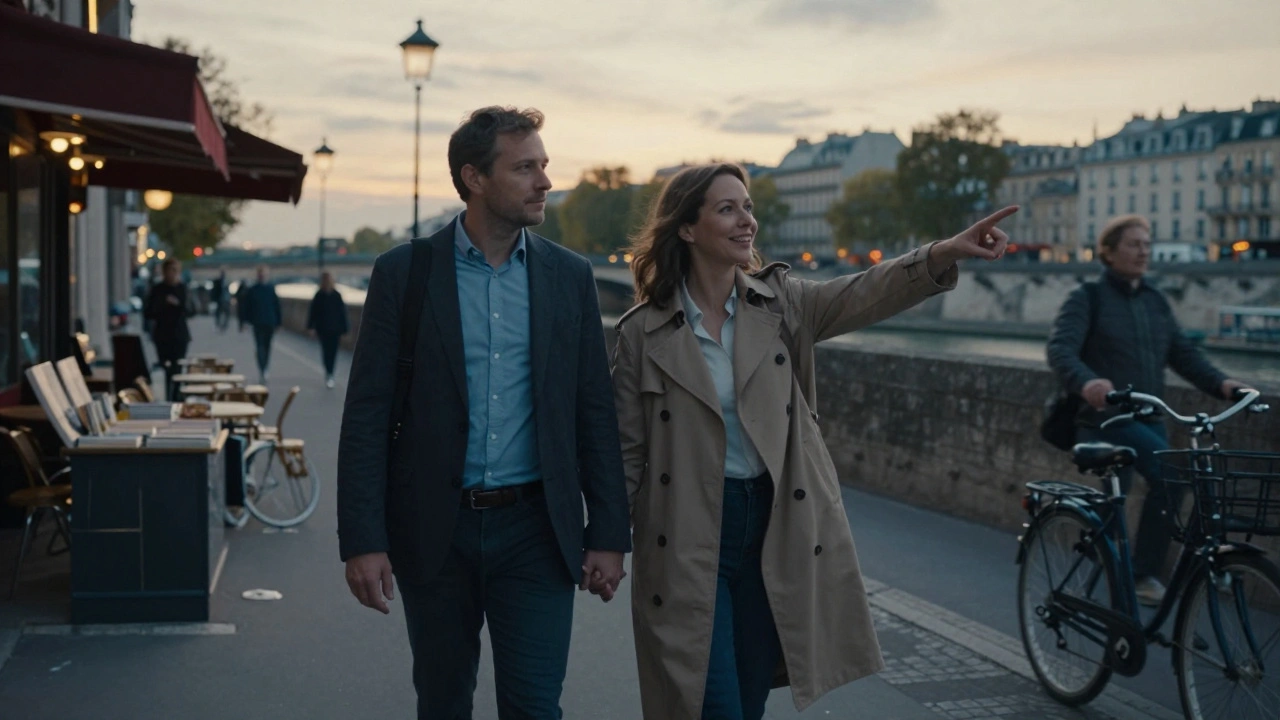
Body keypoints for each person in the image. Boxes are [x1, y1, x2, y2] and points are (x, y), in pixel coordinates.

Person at [612, 163, 1018, 719]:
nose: (746, 221)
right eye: (727, 209)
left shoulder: (779, 304)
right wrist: (608, 541)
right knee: (709, 702)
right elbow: (628, 451)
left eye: (747, 206)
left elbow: (864, 292)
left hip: (774, 524)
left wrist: (943, 253)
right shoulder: (641, 332)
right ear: (686, 228)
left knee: (749, 697)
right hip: (685, 531)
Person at [337, 106, 631, 719]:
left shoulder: (568, 276)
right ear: (474, 178)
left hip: (536, 532)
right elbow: (367, 414)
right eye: (525, 168)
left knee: (534, 707)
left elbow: (593, 414)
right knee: (443, 703)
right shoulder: (405, 273)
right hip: (433, 529)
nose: (544, 182)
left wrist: (608, 533)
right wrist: (362, 540)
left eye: (544, 166)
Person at [1047, 214, 1250, 606]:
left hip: (1148, 421)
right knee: (1163, 482)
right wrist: (1088, 383)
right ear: (1107, 252)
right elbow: (1061, 350)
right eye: (1134, 244)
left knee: (1151, 494)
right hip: (1103, 420)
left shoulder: (1155, 300)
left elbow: (1183, 356)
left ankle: (1125, 576)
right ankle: (1135, 578)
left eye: (1146, 244)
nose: (1144, 251)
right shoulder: (1087, 297)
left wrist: (1224, 385)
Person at [143, 258, 192, 400]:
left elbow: (190, 310)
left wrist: (177, 304)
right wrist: (162, 304)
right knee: (165, 368)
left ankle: (176, 397)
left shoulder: (182, 288)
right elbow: (148, 312)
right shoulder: (157, 289)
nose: (171, 274)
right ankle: (167, 396)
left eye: (174, 271)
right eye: (169, 271)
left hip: (179, 335)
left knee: (178, 368)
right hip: (162, 335)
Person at [239, 265, 282, 383]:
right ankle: (262, 369)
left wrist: (278, 322)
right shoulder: (252, 290)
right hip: (257, 322)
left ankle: (265, 367)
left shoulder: (270, 288)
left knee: (267, 347)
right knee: (260, 347)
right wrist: (244, 322)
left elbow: (277, 306)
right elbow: (246, 307)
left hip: (270, 322)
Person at [307, 272, 348, 388]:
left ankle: (330, 373)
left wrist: (344, 328)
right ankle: (328, 372)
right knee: (326, 352)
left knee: (333, 352)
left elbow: (342, 313)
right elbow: (313, 312)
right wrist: (311, 327)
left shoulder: (337, 295)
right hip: (323, 329)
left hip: (335, 329)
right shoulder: (319, 295)